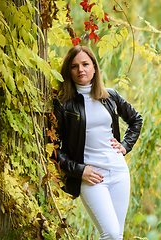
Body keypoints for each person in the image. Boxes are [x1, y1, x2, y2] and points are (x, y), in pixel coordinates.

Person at [51, 45, 143, 239]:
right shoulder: (62, 103)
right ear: (69, 70)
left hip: (118, 172)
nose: (81, 70)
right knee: (109, 233)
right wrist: (79, 170)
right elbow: (52, 147)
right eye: (75, 66)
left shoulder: (110, 96)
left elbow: (136, 120)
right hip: (92, 176)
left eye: (85, 64)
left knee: (116, 235)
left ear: (94, 67)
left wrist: (125, 146)